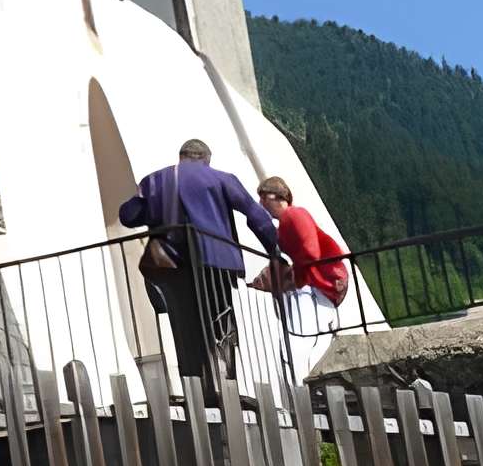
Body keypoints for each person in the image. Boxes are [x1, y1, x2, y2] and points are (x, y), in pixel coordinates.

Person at [120, 136, 280, 382]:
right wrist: (274, 252)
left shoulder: (155, 180)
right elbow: (255, 214)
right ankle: (225, 382)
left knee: (184, 326)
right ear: (206, 159)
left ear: (182, 157)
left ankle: (194, 384)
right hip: (216, 264)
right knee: (220, 322)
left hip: (169, 266)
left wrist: (156, 207)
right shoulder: (221, 178)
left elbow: (129, 216)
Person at [253, 173, 353, 340]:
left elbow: (310, 251)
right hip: (320, 281)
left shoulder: (293, 214)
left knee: (300, 333)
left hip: (323, 280)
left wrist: (298, 278)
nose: (261, 203)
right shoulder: (286, 222)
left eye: (264, 198)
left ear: (277, 197)